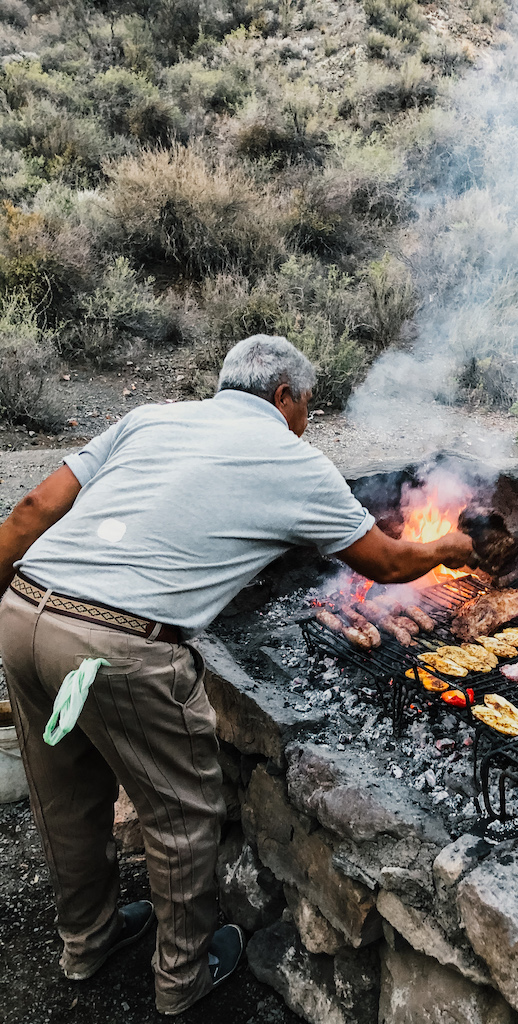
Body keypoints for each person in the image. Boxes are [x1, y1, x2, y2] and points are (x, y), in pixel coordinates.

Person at [0, 334, 474, 1016]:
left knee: (66, 799)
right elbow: (391, 565)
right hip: (118, 646)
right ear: (285, 396)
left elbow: (31, 514)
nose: (307, 419)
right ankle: (181, 980)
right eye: (308, 405)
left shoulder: (150, 417)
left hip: (25, 615)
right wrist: (452, 543)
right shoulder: (294, 460)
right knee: (182, 817)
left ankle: (87, 943)